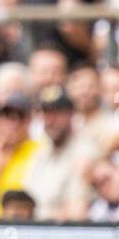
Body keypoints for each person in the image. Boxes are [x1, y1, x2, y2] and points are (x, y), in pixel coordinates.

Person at [21, 85, 99, 219]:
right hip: (33, 228)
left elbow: (77, 212)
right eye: (46, 113)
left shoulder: (84, 152)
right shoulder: (41, 151)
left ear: (71, 114)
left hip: (63, 233)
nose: (51, 120)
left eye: (57, 113)